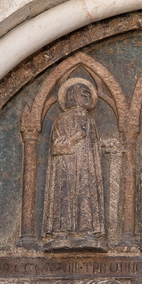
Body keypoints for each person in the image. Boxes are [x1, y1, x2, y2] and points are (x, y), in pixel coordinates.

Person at [42, 78, 106, 251]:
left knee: (86, 194)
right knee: (65, 194)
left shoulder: (90, 121)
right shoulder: (62, 119)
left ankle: (87, 233)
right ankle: (62, 233)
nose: (86, 96)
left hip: (87, 166)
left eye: (88, 94)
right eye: (82, 93)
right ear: (72, 97)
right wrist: (75, 137)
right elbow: (56, 147)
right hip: (66, 166)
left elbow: (94, 144)